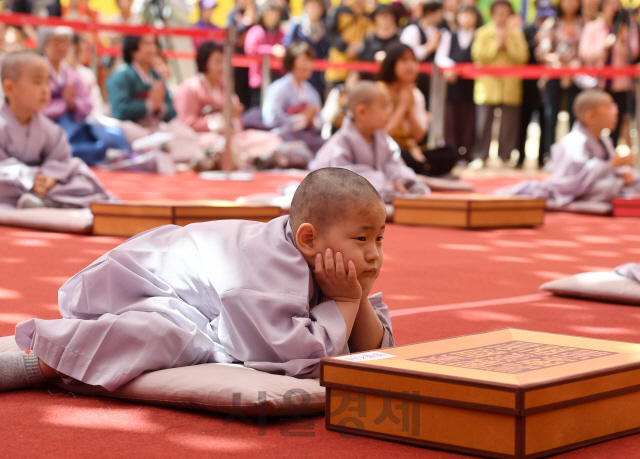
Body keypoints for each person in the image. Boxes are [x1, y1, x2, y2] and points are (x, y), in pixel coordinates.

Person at [0, 167, 394, 392]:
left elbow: (377, 353)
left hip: (190, 297)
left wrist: (356, 298)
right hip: (135, 289)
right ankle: (40, 363)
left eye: (378, 238)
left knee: (187, 339)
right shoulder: (264, 272)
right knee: (165, 337)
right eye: (361, 239)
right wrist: (344, 303)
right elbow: (298, 359)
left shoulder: (313, 256)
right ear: (308, 238)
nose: (374, 252)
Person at [0, 51, 113, 211]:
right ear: (9, 88)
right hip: (12, 185)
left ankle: (42, 201)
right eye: (37, 82)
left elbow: (63, 162)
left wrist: (50, 177)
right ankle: (46, 200)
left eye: (47, 83)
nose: (45, 90)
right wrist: (30, 178)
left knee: (80, 173)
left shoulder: (50, 129)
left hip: (45, 185)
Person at [495, 89, 640, 205]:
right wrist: (610, 166)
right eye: (609, 108)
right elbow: (568, 183)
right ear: (591, 117)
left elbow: (611, 169)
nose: (615, 112)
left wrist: (621, 172)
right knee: (607, 188)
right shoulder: (574, 142)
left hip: (594, 184)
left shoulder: (604, 140)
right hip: (573, 188)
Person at [313, 81, 430, 202]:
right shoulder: (340, 143)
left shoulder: (382, 139)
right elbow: (343, 180)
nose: (390, 111)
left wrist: (408, 183)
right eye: (384, 106)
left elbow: (394, 165)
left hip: (380, 190)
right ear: (362, 112)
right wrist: (387, 186)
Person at [174, 42, 283, 169]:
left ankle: (247, 158)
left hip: (232, 139)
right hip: (203, 138)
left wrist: (232, 118)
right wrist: (218, 120)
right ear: (204, 63)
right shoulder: (190, 88)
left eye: (224, 62)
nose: (222, 67)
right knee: (219, 145)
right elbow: (186, 124)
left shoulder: (225, 88)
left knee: (271, 140)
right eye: (217, 62)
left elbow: (238, 125)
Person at [106, 35, 201, 163]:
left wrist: (159, 107)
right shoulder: (120, 76)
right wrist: (149, 105)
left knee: (186, 134)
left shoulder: (156, 77)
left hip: (155, 128)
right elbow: (119, 111)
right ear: (132, 48)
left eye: (153, 44)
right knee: (130, 132)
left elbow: (172, 113)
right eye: (146, 44)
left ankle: (157, 151)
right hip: (134, 128)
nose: (151, 49)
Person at [378, 43, 458, 177]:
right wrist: (403, 106)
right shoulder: (380, 91)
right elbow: (383, 134)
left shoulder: (415, 94)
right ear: (391, 63)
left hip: (411, 149)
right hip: (386, 150)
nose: (410, 66)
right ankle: (422, 169)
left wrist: (409, 108)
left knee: (450, 153)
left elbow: (419, 136)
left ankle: (420, 168)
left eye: (413, 60)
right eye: (404, 60)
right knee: (405, 156)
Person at [470, 0, 529, 167]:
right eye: (499, 13)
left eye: (506, 13)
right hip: (487, 85)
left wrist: (507, 45)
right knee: (484, 123)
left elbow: (522, 57)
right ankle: (480, 155)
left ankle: (505, 156)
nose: (502, 17)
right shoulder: (482, 33)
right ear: (492, 14)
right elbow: (477, 55)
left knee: (509, 125)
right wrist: (496, 46)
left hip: (510, 85)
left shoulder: (516, 34)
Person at [579, 0, 639, 147]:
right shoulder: (592, 27)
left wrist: (623, 35)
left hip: (621, 85)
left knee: (617, 123)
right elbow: (585, 53)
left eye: (616, 4)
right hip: (597, 84)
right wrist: (605, 46)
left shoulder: (628, 28)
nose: (613, 8)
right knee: (595, 122)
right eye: (609, 4)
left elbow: (634, 52)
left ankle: (612, 155)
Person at [536, 0, 583, 162]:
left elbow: (586, 51)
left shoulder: (582, 23)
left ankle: (574, 155)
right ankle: (549, 154)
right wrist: (558, 59)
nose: (570, 4)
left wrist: (574, 64)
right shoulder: (552, 24)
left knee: (575, 115)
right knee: (551, 114)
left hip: (577, 76)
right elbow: (542, 51)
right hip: (554, 74)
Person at [435, 4, 481, 162]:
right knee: (451, 120)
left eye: (470, 14)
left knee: (470, 120)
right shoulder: (450, 35)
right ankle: (451, 154)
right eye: (463, 14)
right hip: (453, 84)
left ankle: (468, 155)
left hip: (474, 86)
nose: (467, 18)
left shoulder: (480, 35)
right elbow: (440, 57)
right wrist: (452, 68)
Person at [262, 41, 325, 155]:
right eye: (304, 61)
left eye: (310, 61)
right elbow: (270, 118)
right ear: (291, 62)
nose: (308, 65)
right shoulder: (278, 88)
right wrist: (302, 119)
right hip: (283, 138)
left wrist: (311, 120)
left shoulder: (310, 91)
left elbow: (320, 119)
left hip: (307, 137)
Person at [399, 0, 444, 106]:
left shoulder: (440, 31)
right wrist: (428, 47)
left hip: (434, 81)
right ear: (430, 13)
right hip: (415, 80)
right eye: (439, 12)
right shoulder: (412, 30)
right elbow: (405, 54)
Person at [284, 0, 329, 99]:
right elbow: (288, 46)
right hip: (298, 70)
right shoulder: (297, 25)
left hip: (318, 74)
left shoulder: (325, 27)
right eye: (311, 6)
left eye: (317, 6)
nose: (314, 9)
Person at [244, 1, 286, 107]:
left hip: (278, 78)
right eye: (270, 13)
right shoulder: (256, 30)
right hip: (260, 79)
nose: (273, 17)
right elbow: (251, 50)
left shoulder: (280, 32)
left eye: (275, 14)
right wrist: (272, 50)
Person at [325, 0, 374, 87]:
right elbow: (330, 33)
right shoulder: (341, 10)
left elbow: (372, 35)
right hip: (340, 65)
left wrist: (362, 49)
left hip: (359, 65)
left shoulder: (369, 13)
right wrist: (345, 47)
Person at [357, 3, 400, 80]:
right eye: (382, 16)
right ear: (376, 18)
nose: (385, 19)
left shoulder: (399, 36)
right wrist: (374, 58)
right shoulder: (370, 37)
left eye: (388, 16)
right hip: (372, 78)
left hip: (393, 78)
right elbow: (362, 57)